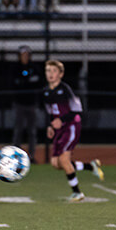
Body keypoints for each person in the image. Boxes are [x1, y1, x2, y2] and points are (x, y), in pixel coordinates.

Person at [43, 59, 104, 202]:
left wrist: (62, 120)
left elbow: (77, 110)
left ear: (61, 74)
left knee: (64, 159)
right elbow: (51, 112)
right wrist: (51, 126)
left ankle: (77, 193)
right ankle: (90, 166)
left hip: (71, 126)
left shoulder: (65, 90)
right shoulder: (45, 92)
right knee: (55, 163)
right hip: (59, 129)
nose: (51, 74)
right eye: (48, 71)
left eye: (54, 71)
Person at [10, 45, 43, 162]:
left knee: (32, 131)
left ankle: (31, 156)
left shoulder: (34, 68)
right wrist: (26, 81)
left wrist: (25, 82)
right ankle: (16, 157)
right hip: (19, 103)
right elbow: (14, 83)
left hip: (32, 103)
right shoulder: (15, 68)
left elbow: (38, 82)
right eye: (22, 55)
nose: (24, 57)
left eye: (26, 55)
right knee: (18, 130)